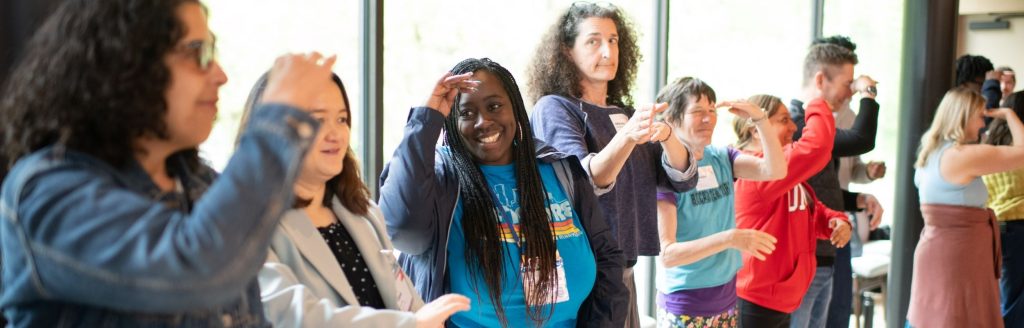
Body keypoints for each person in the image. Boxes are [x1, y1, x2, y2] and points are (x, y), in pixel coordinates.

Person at [0, 0, 335, 326]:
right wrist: (278, 121)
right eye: (197, 54)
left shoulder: (200, 184)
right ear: (127, 62)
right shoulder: (48, 192)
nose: (220, 76)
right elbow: (197, 270)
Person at [379, 58, 628, 327]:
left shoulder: (560, 169)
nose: (483, 121)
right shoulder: (442, 180)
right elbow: (401, 229)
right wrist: (426, 120)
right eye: (466, 113)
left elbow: (607, 259)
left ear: (515, 109)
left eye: (494, 106)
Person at [237, 73, 470, 327]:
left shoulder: (363, 213)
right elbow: (294, 317)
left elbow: (407, 303)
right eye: (317, 120)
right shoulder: (248, 224)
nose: (335, 133)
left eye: (341, 119)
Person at [526, 4, 697, 325]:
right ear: (567, 51)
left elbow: (681, 180)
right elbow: (581, 180)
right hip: (584, 265)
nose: (607, 51)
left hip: (622, 265)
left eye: (614, 40)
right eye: (593, 41)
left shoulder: (625, 113)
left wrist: (668, 135)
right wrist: (629, 136)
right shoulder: (555, 108)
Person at [732, 44, 853, 328]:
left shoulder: (779, 173)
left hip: (781, 298)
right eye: (783, 120)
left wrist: (837, 222)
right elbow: (818, 148)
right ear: (755, 129)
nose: (793, 127)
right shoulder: (755, 171)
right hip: (755, 300)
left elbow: (812, 210)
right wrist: (817, 100)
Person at [653, 77, 785, 328]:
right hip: (686, 302)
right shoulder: (666, 172)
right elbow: (668, 255)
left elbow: (774, 170)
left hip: (726, 296)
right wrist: (731, 238)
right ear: (670, 119)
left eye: (712, 111)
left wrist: (760, 119)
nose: (708, 119)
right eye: (698, 112)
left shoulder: (721, 157)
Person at [788, 36, 884, 328]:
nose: (850, 93)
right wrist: (869, 92)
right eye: (848, 85)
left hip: (826, 247)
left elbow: (818, 192)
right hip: (804, 253)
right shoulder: (797, 124)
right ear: (821, 79)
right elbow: (862, 139)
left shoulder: (818, 125)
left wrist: (858, 200)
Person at [908, 87, 1024, 328]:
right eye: (980, 116)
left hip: (942, 249)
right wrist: (1010, 115)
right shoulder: (961, 156)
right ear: (964, 116)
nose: (983, 124)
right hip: (958, 255)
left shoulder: (929, 154)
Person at [983, 90, 1024, 328]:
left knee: (1002, 299)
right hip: (1020, 229)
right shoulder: (1019, 152)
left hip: (994, 229)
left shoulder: (990, 147)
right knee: (1015, 305)